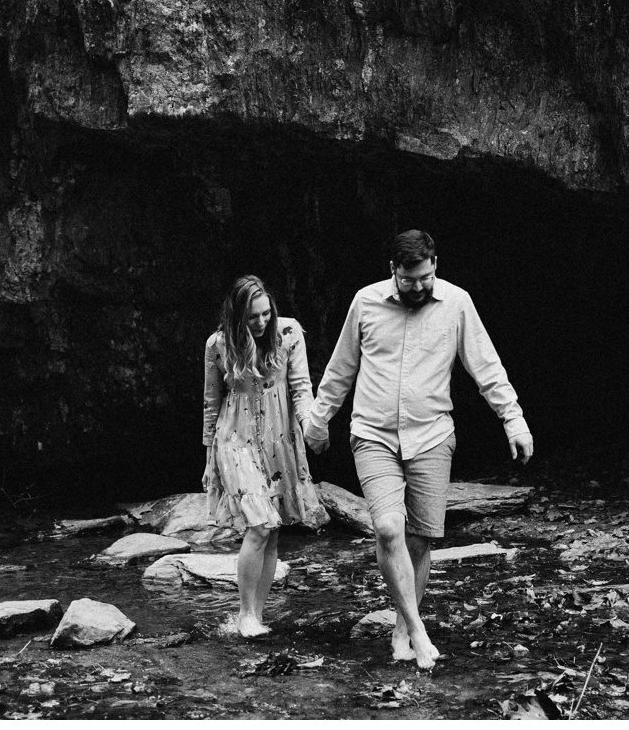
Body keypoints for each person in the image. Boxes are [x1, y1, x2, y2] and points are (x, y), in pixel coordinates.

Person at [304, 230, 533, 672]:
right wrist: (317, 422)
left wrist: (514, 419)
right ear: (393, 271)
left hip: (431, 435)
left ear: (435, 265)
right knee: (389, 529)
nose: (419, 287)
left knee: (421, 539)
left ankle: (401, 627)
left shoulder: (456, 303)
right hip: (373, 435)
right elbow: (340, 369)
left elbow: (485, 365)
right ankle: (419, 631)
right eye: (409, 280)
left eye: (426, 277)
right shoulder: (366, 302)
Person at [203, 274, 328, 638]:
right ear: (237, 316)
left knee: (273, 530)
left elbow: (302, 389)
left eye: (265, 314)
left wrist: (309, 423)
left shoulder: (289, 333)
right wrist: (209, 457)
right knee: (259, 524)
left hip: (279, 439)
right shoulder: (218, 344)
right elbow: (211, 403)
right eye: (252, 317)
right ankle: (243, 614)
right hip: (235, 438)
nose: (261, 322)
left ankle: (257, 615)